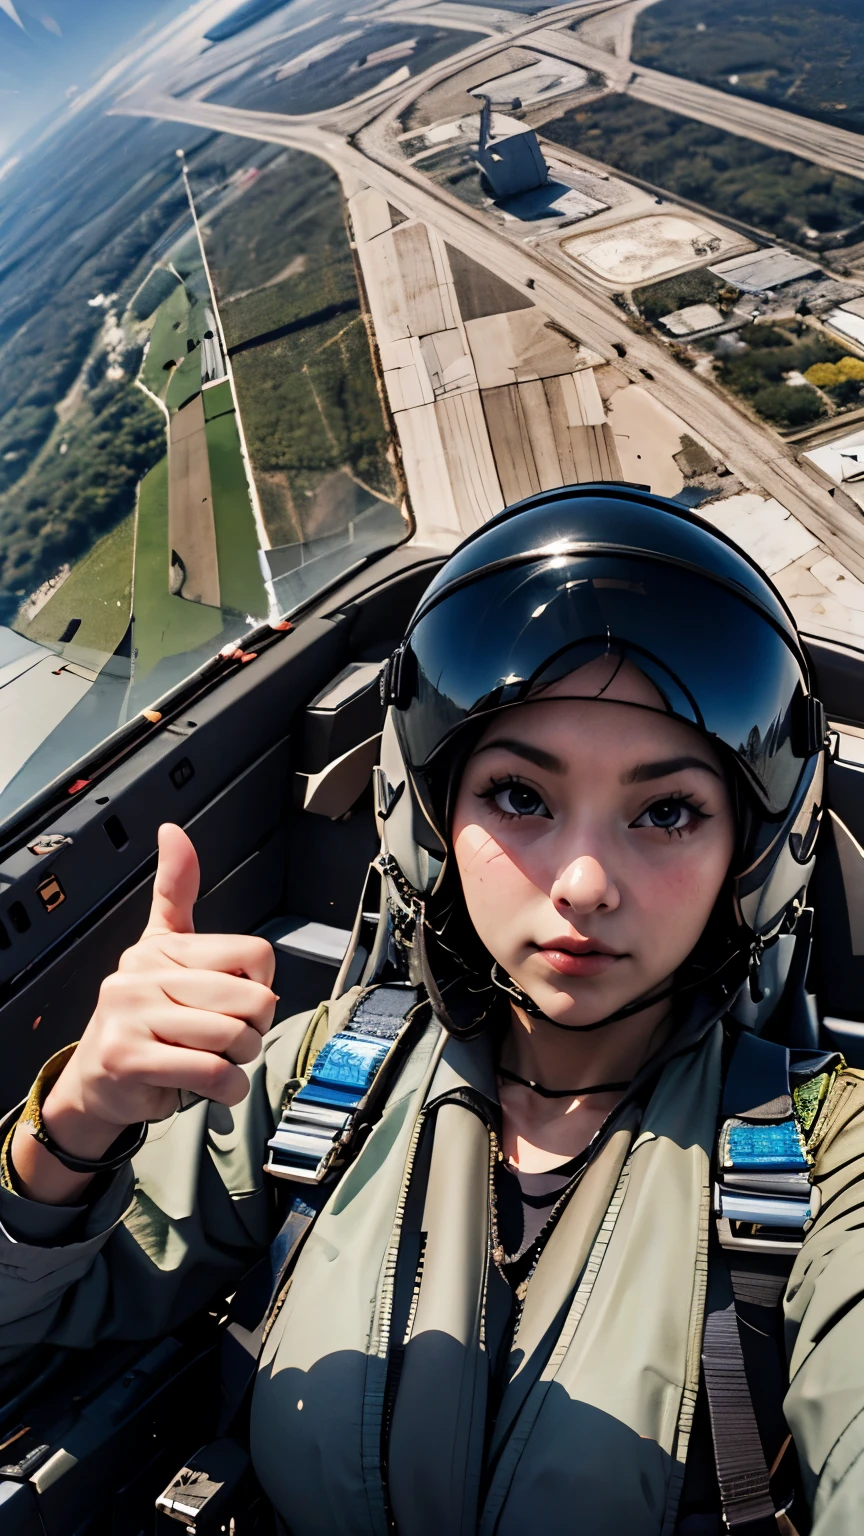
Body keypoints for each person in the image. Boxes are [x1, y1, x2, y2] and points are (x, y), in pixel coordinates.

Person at [2, 485, 863, 1536]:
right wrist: (80, 1122)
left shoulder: (827, 1156)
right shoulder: (326, 1071)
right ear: (432, 818)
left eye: (669, 810)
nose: (585, 881)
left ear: (753, 852)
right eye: (520, 795)